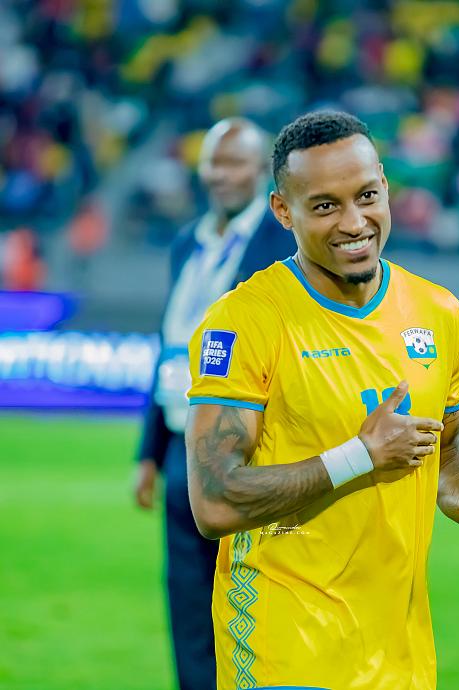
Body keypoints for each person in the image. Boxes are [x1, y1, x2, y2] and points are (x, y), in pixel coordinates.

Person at [184, 111, 459, 690]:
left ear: (384, 185)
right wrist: (360, 455)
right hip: (285, 648)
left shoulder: (438, 313)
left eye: (367, 196)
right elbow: (214, 501)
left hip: (400, 657)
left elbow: (448, 455)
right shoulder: (245, 321)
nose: (354, 222)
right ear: (283, 210)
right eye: (325, 205)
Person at [134, 117, 296, 690]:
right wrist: (148, 450)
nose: (220, 175)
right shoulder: (188, 243)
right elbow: (171, 345)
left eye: (234, 163)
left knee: (251, 597)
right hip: (181, 446)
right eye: (212, 162)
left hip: (247, 446)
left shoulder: (285, 242)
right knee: (186, 598)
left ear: (262, 172)